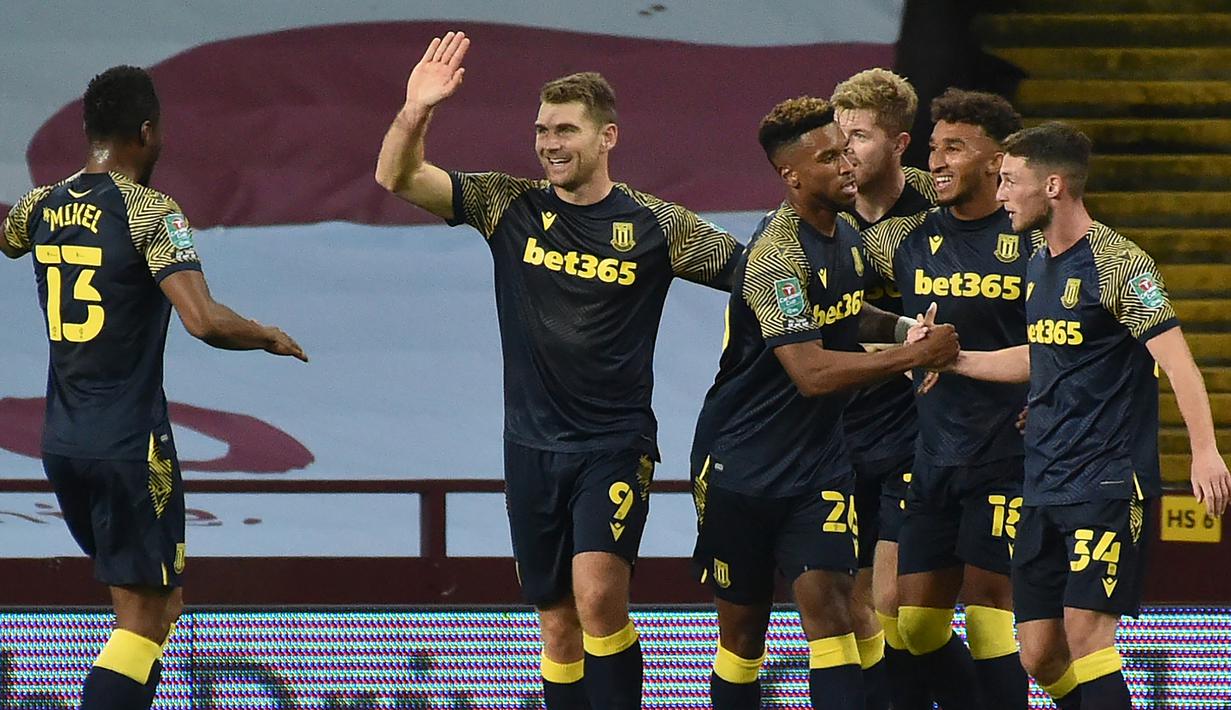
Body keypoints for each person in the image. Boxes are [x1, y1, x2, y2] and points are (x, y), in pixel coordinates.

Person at [374, 32, 743, 709]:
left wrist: (880, 328)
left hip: (612, 445)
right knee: (555, 623)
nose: (548, 143)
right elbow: (397, 177)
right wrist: (415, 109)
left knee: (598, 598)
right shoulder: (506, 204)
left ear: (607, 138)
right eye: (541, 129)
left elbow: (763, 277)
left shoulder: (659, 226)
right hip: (529, 448)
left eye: (564, 129)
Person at [0, 65, 307, 710]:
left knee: (152, 609)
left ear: (88, 132)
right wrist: (266, 334)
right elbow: (203, 321)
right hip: (131, 442)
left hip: (62, 440)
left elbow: (8, 239)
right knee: (145, 619)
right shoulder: (148, 211)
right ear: (146, 132)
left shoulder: (42, 204)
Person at [931, 121, 1231, 710]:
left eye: (1010, 181)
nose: (999, 195)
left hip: (1108, 481)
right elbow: (1042, 355)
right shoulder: (1040, 263)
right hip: (1043, 482)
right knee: (1039, 654)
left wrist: (1205, 451)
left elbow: (1179, 365)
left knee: (1089, 636)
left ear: (1053, 186)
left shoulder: (1121, 265)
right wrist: (955, 359)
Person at [689, 96, 959, 710]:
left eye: (846, 150)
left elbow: (845, 313)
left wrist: (903, 331)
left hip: (818, 468)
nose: (846, 166)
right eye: (829, 157)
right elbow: (811, 372)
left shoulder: (845, 237)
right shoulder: (774, 257)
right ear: (792, 176)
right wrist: (917, 358)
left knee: (835, 610)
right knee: (741, 637)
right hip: (741, 467)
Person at [860, 88, 1033, 709]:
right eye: (932, 148)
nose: (936, 161)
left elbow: (1091, 337)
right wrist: (907, 340)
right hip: (931, 456)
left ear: (997, 161)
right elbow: (849, 307)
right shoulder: (909, 240)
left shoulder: (1036, 243)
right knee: (915, 625)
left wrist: (1052, 397)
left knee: (990, 617)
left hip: (1008, 458)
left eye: (953, 147)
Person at [830, 67, 937, 710]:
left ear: (899, 145)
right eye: (838, 135)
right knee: (852, 601)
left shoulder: (940, 211)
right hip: (839, 431)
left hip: (920, 432)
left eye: (861, 137)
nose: (845, 151)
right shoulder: (818, 209)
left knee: (898, 600)